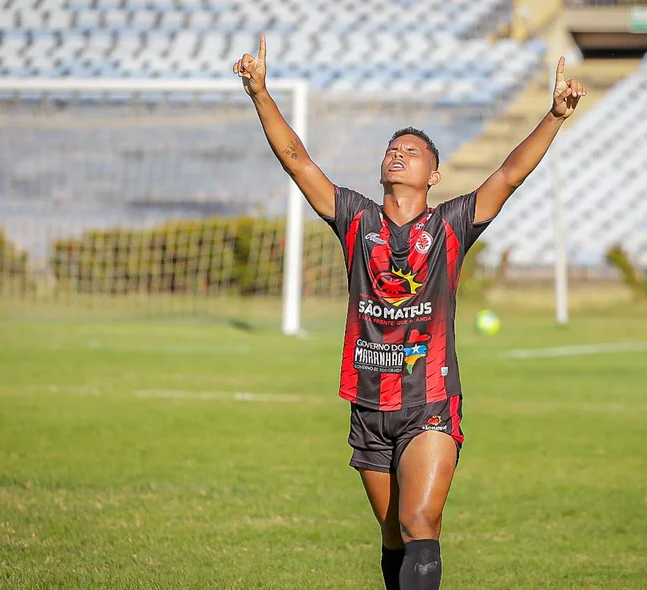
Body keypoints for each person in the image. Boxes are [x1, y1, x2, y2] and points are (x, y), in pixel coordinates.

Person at [234, 34, 585, 590]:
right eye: (392, 148)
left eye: (413, 151)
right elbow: (297, 162)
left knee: (420, 521)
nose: (398, 154)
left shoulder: (450, 226)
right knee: (394, 535)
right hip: (368, 400)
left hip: (430, 402)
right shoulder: (354, 218)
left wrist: (554, 116)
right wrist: (259, 93)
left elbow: (508, 175)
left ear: (434, 176)